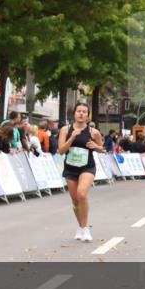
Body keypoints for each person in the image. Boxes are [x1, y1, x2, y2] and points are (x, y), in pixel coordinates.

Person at [58, 102, 106, 242]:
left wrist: (95, 145)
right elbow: (61, 151)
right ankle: (80, 226)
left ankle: (86, 228)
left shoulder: (93, 132)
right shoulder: (65, 130)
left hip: (87, 167)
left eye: (84, 112)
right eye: (79, 111)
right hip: (70, 168)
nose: (81, 113)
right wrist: (72, 137)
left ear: (87, 115)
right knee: (75, 200)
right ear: (74, 113)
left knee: (82, 194)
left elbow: (102, 149)